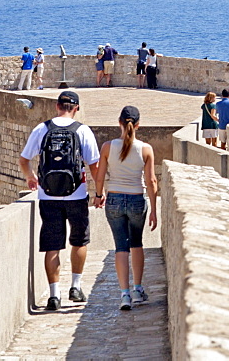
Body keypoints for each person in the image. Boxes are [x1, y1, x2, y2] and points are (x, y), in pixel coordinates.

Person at [18, 91, 100, 311]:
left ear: (57, 106)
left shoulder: (42, 129)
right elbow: (94, 165)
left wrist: (30, 177)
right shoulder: (82, 130)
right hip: (77, 194)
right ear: (76, 108)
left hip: (48, 195)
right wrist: (99, 191)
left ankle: (54, 295)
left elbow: (24, 160)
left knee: (52, 246)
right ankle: (75, 286)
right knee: (79, 241)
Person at [94, 105, 158, 311]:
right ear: (138, 125)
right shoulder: (146, 149)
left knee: (121, 247)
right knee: (137, 243)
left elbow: (100, 176)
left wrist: (98, 195)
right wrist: (155, 210)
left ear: (119, 122)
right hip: (137, 199)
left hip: (114, 200)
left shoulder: (107, 147)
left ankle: (124, 295)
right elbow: (151, 182)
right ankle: (138, 290)